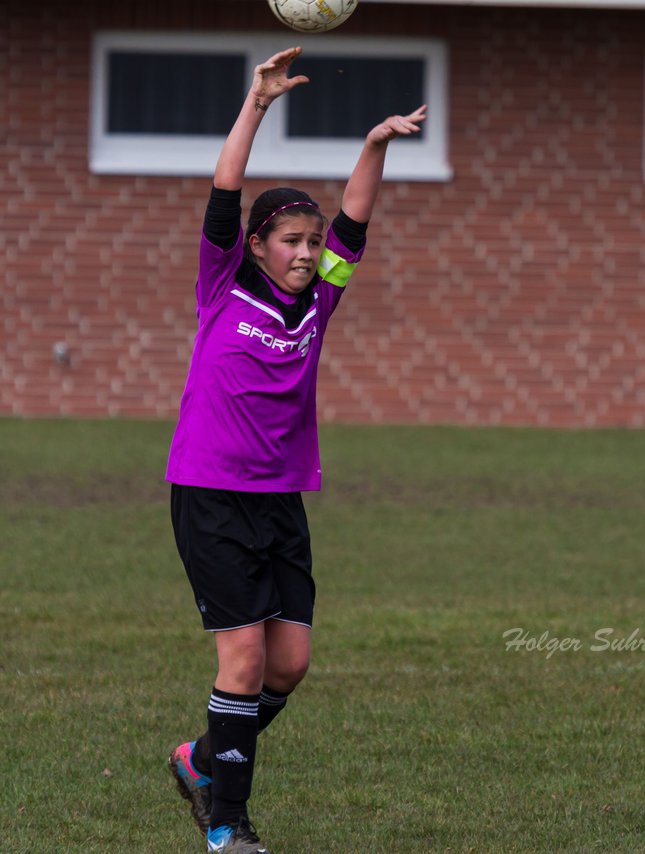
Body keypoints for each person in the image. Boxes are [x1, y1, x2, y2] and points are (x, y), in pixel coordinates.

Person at [165, 46, 426, 854]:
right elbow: (224, 192)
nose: (307, 252)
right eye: (289, 240)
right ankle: (227, 827)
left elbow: (356, 215)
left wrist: (375, 144)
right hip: (210, 494)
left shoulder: (319, 302)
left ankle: (201, 759)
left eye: (312, 242)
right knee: (241, 662)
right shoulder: (224, 286)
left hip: (281, 499)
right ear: (257, 246)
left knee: (289, 667)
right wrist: (257, 104)